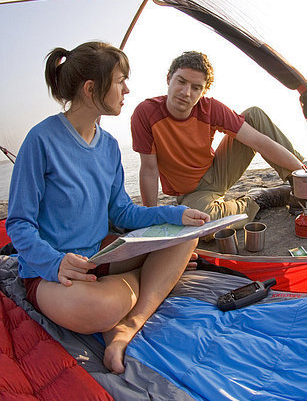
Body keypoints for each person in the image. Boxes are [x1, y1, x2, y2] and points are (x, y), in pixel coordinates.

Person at [6, 42, 210, 375]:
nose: (127, 88)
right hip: (53, 273)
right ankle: (150, 281)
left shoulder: (110, 147)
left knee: (189, 236)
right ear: (90, 89)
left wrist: (176, 214)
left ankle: (129, 323)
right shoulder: (40, 140)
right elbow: (19, 223)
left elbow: (123, 215)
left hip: (102, 257)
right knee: (98, 309)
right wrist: (54, 263)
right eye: (119, 81)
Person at [131, 51, 307, 225]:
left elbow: (260, 142)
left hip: (218, 171)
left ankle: (302, 189)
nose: (186, 92)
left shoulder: (210, 108)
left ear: (203, 91)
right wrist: (151, 218)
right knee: (204, 220)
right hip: (191, 193)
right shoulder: (146, 113)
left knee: (254, 115)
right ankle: (259, 198)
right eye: (181, 82)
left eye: (196, 87)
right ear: (169, 78)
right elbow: (149, 170)